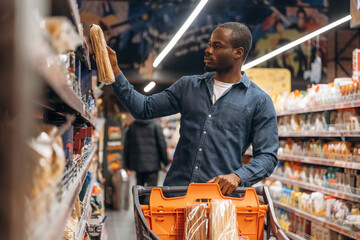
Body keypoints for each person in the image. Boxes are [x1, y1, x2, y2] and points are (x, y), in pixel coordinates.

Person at [104, 22, 279, 196]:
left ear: (237, 53)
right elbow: (143, 108)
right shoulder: (188, 87)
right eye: (209, 44)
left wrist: (238, 177)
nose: (208, 50)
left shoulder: (259, 101)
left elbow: (267, 156)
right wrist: (115, 72)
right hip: (177, 195)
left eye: (217, 46)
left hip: (220, 202)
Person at [124, 119, 168, 189]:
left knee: (139, 189)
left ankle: (141, 200)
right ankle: (148, 200)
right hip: (153, 164)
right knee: (151, 190)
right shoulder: (155, 125)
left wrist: (127, 164)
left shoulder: (133, 126)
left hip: (138, 164)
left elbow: (127, 146)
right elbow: (162, 144)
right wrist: (165, 162)